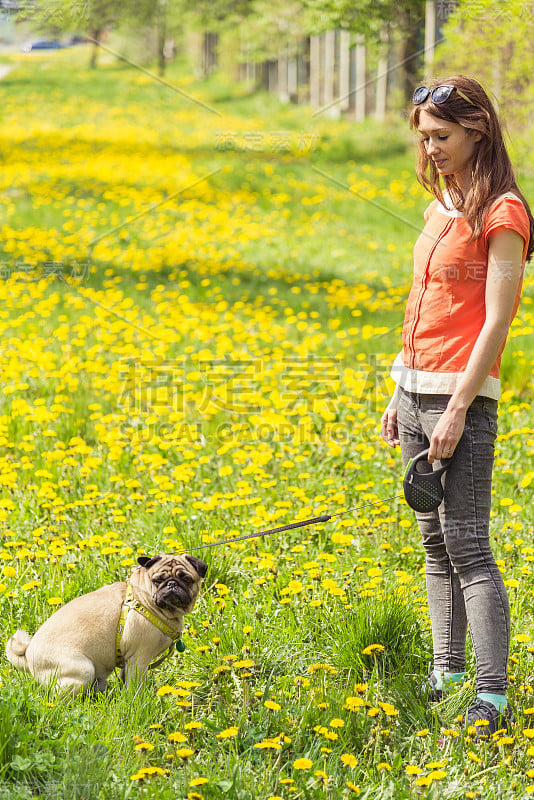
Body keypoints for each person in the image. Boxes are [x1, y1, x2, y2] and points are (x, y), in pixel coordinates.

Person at [381, 76, 533, 735]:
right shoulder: (441, 202)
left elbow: (496, 324)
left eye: (441, 136)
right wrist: (398, 389)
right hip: (415, 390)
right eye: (423, 136)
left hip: (458, 400)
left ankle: (492, 697)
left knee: (468, 544)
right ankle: (445, 673)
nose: (431, 148)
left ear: (478, 129)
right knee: (434, 544)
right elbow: (423, 306)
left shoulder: (503, 213)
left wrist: (456, 410)